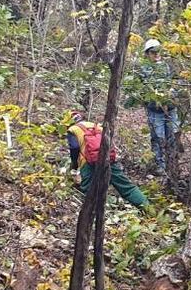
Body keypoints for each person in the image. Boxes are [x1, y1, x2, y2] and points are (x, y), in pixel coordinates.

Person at [66, 115, 150, 210]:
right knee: (126, 186)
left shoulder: (72, 129)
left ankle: (91, 214)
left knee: (87, 190)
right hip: (107, 159)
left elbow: (74, 148)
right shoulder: (96, 126)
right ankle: (148, 208)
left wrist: (74, 165)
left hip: (87, 162)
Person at [134, 38, 179, 175]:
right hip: (155, 110)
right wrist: (153, 97)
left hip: (170, 109)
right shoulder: (143, 70)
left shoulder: (167, 67)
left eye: (158, 51)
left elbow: (177, 82)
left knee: (172, 136)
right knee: (158, 137)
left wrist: (171, 92)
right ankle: (160, 165)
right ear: (147, 54)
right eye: (153, 52)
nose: (156, 54)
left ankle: (172, 166)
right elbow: (139, 90)